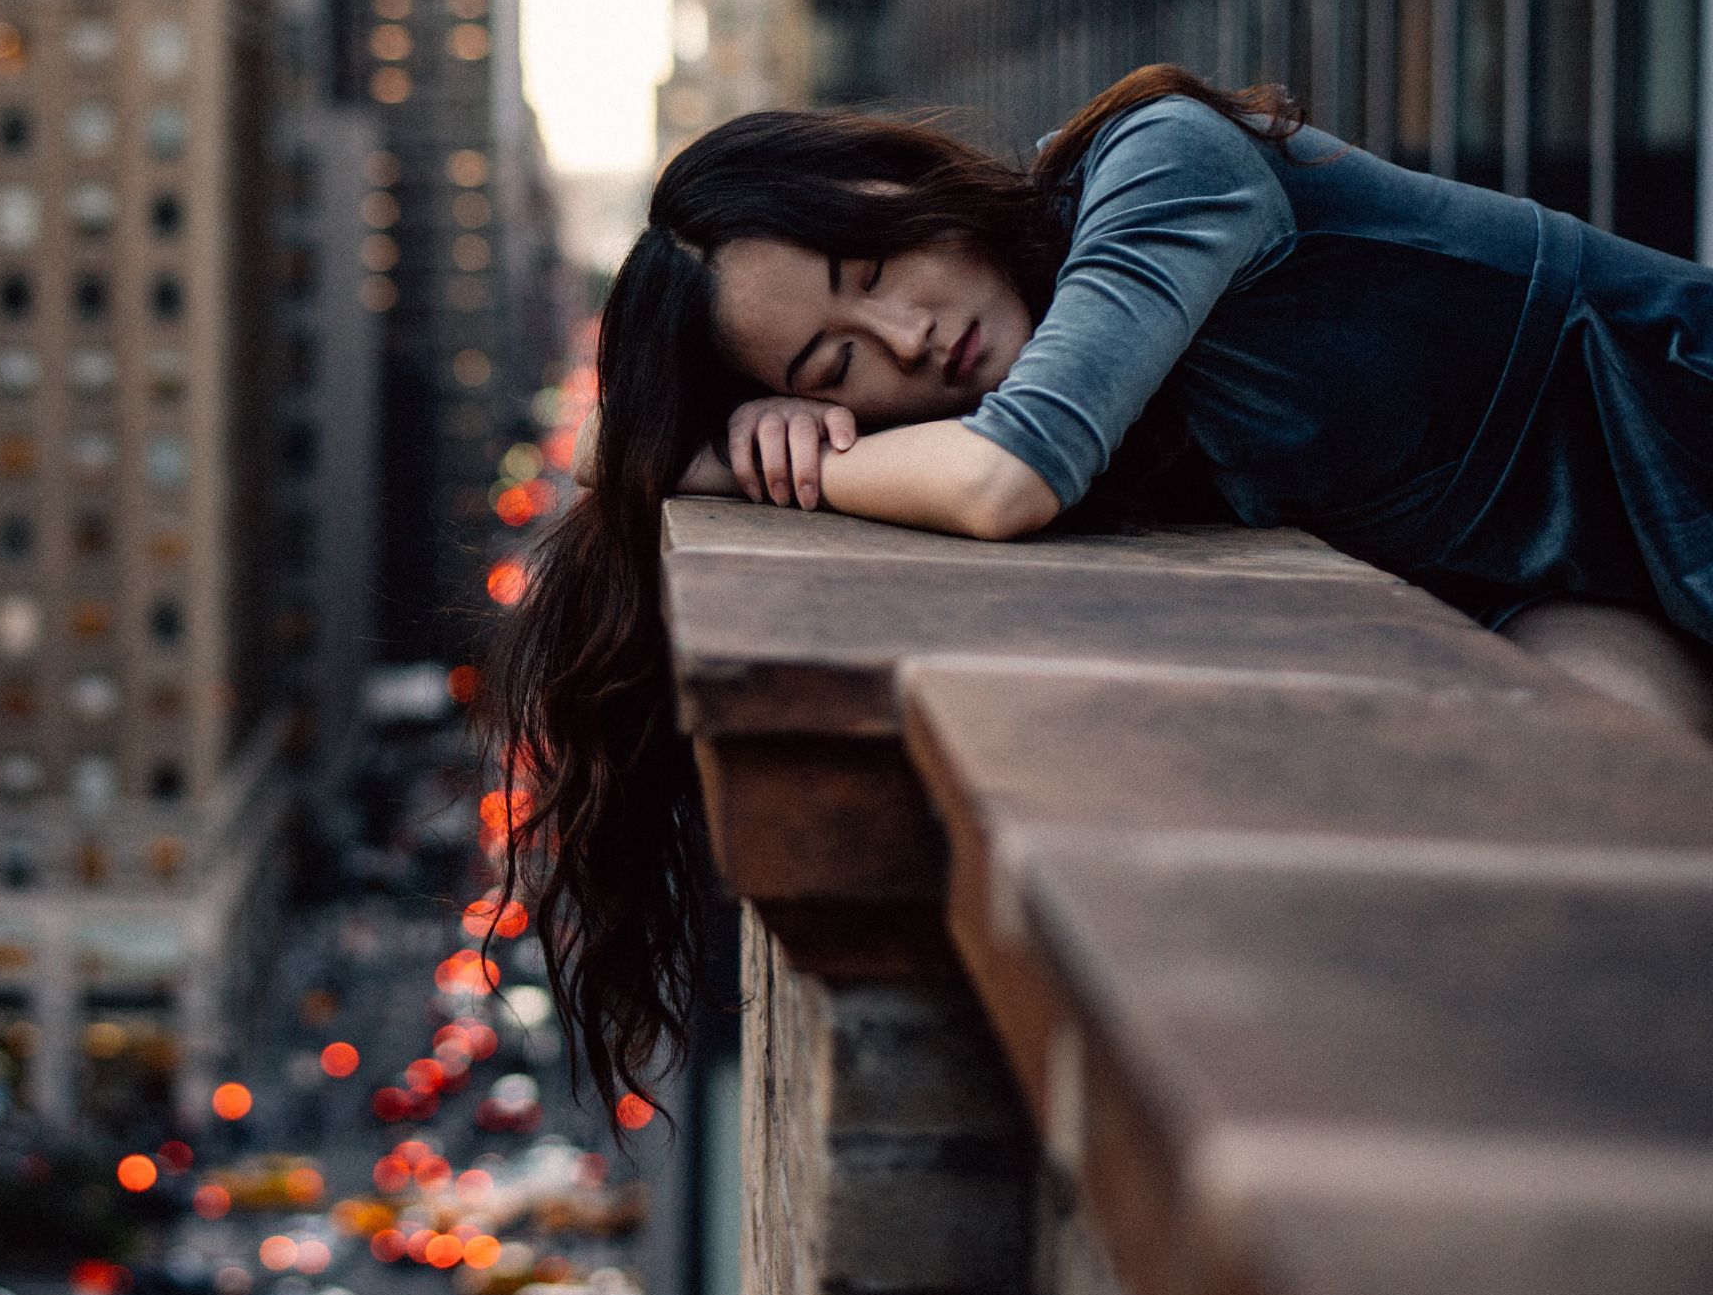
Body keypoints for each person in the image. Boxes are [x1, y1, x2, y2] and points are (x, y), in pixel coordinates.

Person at [486, 62, 1713, 1123]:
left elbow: (1009, 476)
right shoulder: (1075, 387)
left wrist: (740, 462)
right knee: (1602, 826)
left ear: (904, 181)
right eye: (835, 361)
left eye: (871, 263)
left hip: (1682, 447)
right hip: (1572, 581)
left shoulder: (1160, 162)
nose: (905, 337)